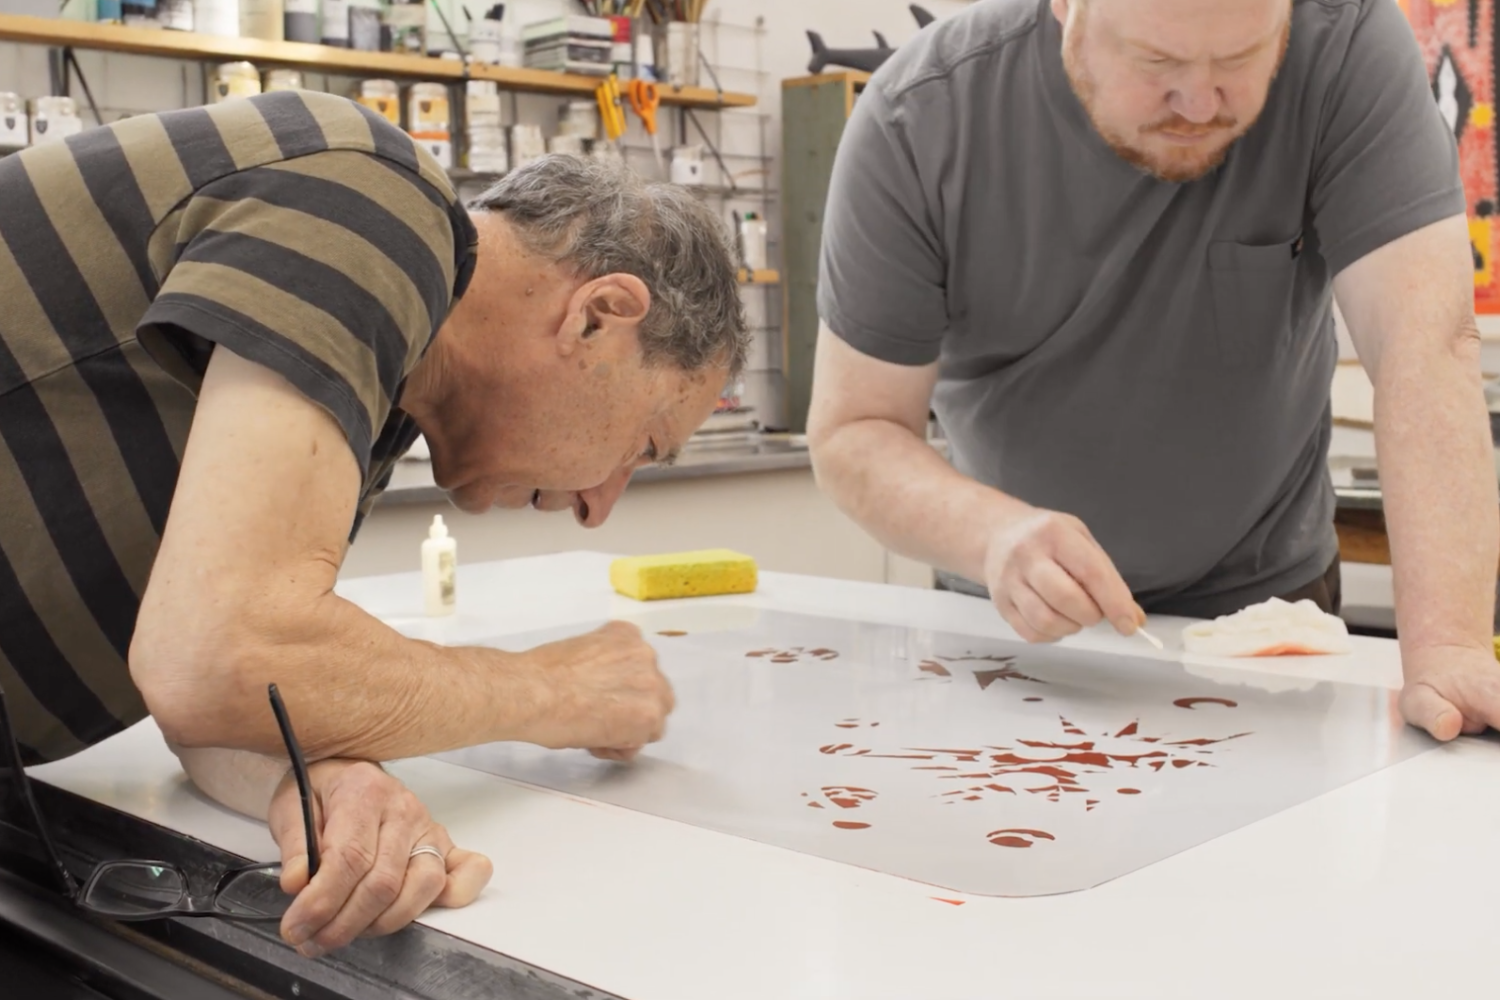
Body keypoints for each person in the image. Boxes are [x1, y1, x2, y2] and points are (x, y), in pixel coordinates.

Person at [0, 89, 747, 957]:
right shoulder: (373, 201)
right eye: (643, 446)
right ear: (596, 317)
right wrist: (551, 692)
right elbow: (215, 657)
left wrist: (319, 779)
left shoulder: (383, 393)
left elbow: (225, 690)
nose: (598, 505)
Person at [807, 0, 1500, 740]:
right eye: (1157, 62)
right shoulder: (918, 118)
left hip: (1271, 622)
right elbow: (856, 430)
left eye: (1240, 59)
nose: (1200, 103)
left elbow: (1425, 345)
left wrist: (1451, 649)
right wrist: (990, 535)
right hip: (1009, 624)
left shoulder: (1347, 41)